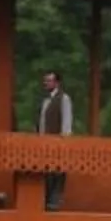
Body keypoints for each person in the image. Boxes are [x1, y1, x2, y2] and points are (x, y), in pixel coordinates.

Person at [39, 66, 74, 209]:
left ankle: (54, 203)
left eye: (49, 80)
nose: (46, 83)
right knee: (46, 175)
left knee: (57, 174)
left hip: (57, 144)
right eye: (45, 81)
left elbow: (66, 122)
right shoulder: (45, 101)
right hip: (44, 144)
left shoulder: (63, 99)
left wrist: (63, 142)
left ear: (57, 83)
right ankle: (45, 202)